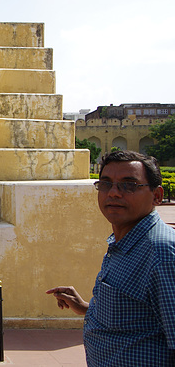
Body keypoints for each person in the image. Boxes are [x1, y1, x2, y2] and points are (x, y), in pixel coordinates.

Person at [47, 150, 175, 366]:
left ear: (157, 196)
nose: (114, 193)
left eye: (129, 185)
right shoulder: (123, 242)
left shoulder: (161, 253)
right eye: (106, 184)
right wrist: (86, 308)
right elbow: (136, 321)